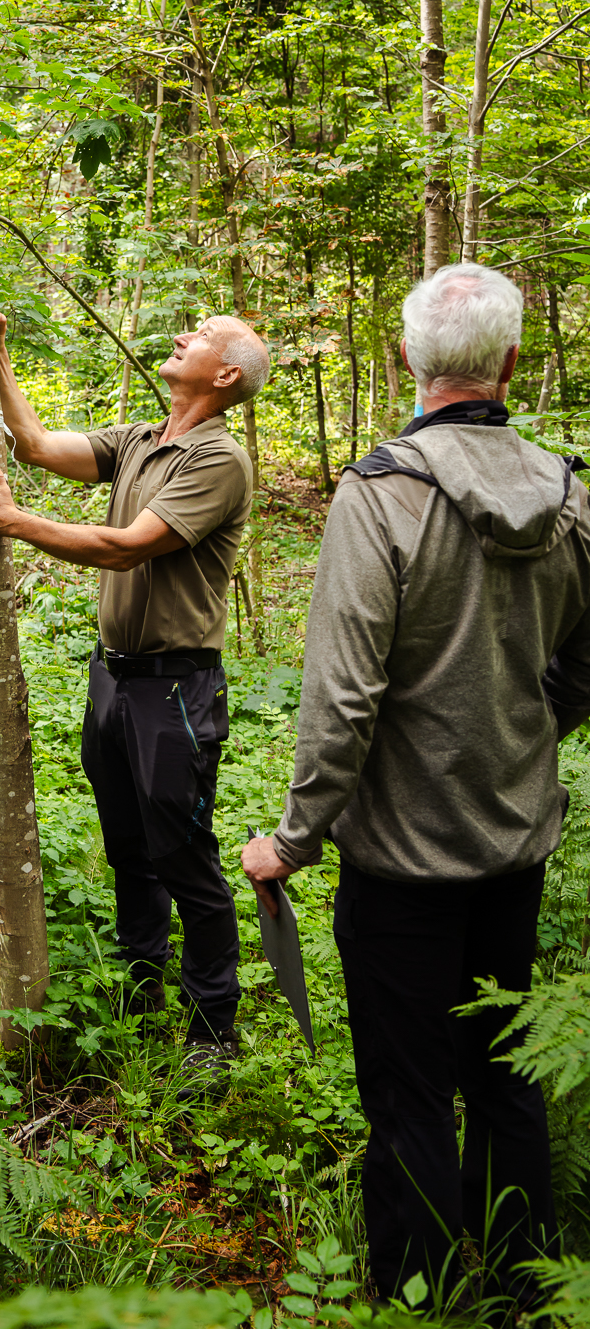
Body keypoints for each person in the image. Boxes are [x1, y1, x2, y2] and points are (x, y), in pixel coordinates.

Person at [242, 261, 590, 1304]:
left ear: (405, 359)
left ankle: (421, 1295)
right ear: (511, 362)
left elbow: (341, 695)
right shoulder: (570, 494)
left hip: (398, 862)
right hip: (512, 843)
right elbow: (583, 663)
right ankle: (528, 1290)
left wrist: (292, 839)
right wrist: (530, 728)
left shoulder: (380, 493)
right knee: (506, 1074)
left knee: (407, 1092)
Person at [0, 308, 269, 1088]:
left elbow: (127, 549)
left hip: (175, 688)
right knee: (128, 848)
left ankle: (212, 1027)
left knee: (181, 856)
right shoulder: (138, 440)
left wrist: (12, 521)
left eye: (200, 335)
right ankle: (140, 989)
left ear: (225, 373)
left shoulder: (218, 459)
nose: (182, 336)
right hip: (113, 679)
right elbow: (35, 445)